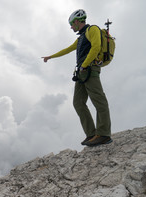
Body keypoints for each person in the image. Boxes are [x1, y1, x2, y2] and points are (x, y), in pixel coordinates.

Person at [42, 9, 112, 147]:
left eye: (71, 24)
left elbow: (96, 47)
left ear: (77, 21)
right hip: (81, 72)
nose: (71, 27)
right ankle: (92, 134)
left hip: (90, 69)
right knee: (78, 103)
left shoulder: (93, 30)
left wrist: (84, 65)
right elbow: (68, 49)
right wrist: (50, 56)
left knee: (99, 101)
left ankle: (104, 134)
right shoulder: (81, 37)